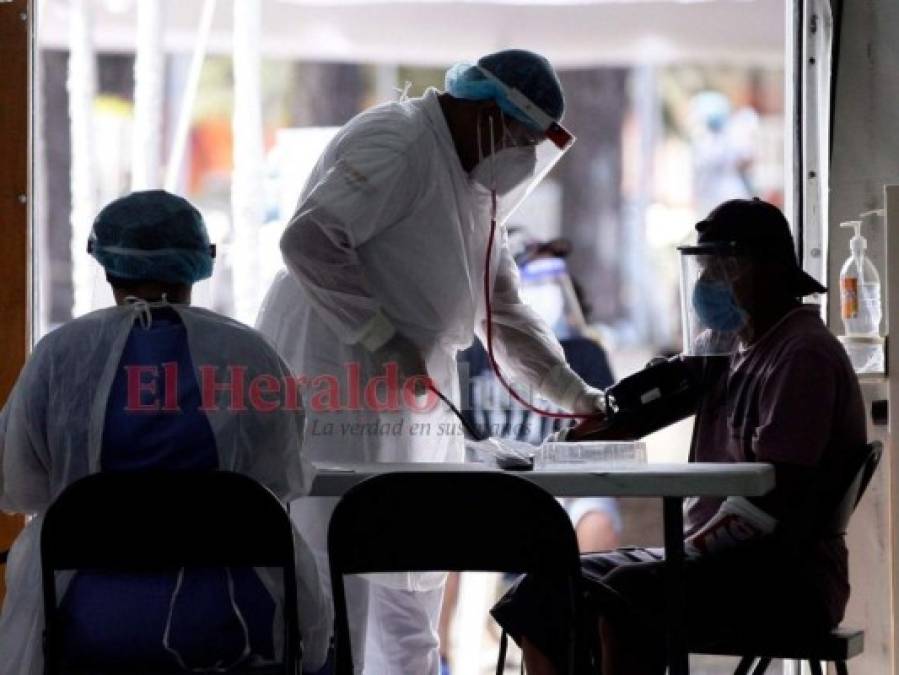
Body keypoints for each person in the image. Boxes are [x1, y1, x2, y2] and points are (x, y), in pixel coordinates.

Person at [255, 49, 605, 674]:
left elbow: (501, 311)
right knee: (339, 583)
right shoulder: (401, 141)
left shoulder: (475, 189)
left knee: (409, 581)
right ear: (480, 109)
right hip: (335, 360)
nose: (523, 153)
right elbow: (307, 241)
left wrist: (573, 392)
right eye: (519, 136)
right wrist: (380, 336)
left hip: (408, 388)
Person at [490, 198, 866, 675]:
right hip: (721, 562)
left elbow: (778, 502)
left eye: (719, 270)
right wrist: (572, 432)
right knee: (545, 589)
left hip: (785, 578)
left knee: (625, 590)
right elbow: (643, 408)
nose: (707, 286)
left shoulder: (801, 356)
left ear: (764, 271)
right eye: (704, 270)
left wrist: (686, 551)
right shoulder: (729, 349)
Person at [0, 191, 331, 674]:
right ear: (198, 264)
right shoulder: (250, 356)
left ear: (108, 266)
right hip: (233, 622)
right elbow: (279, 481)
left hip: (90, 622)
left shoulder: (59, 357)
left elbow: (19, 486)